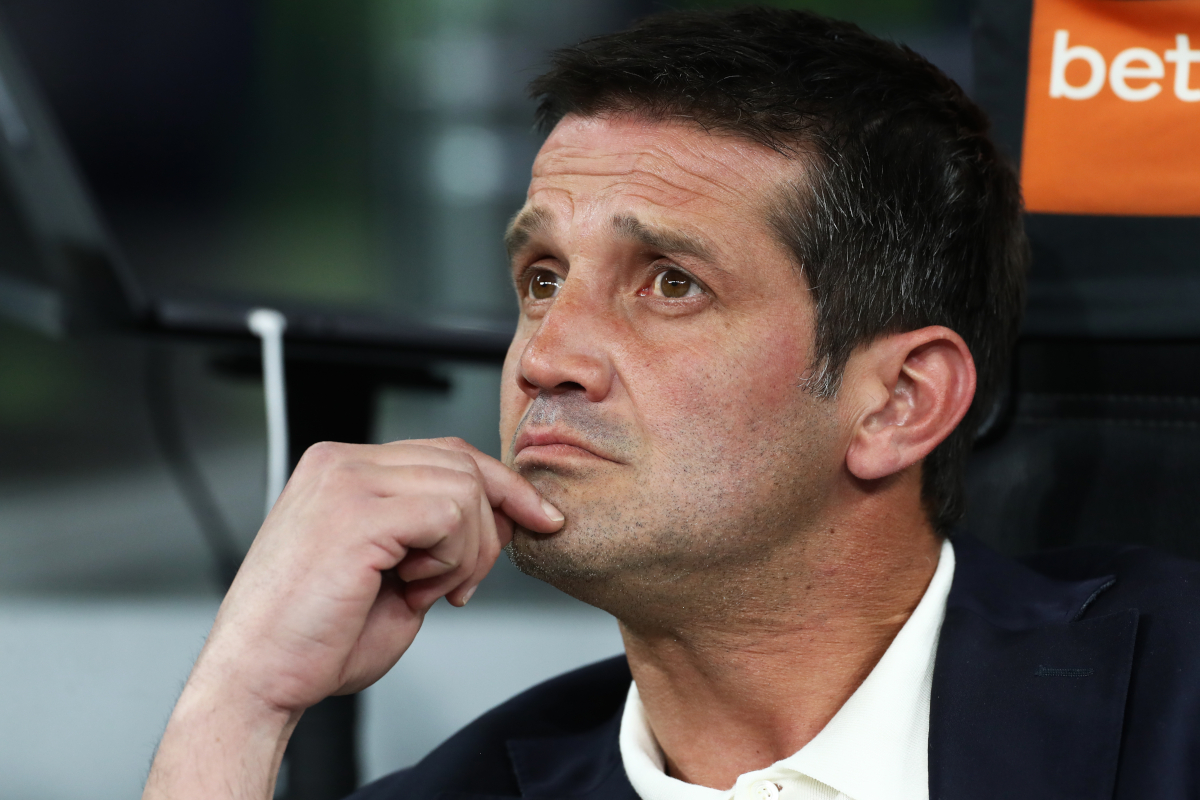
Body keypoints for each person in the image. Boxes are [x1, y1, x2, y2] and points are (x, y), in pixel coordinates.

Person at [143, 8, 1200, 800]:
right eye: (543, 279)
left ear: (898, 404)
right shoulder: (455, 792)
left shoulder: (1175, 705)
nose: (546, 356)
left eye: (670, 284)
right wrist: (238, 703)